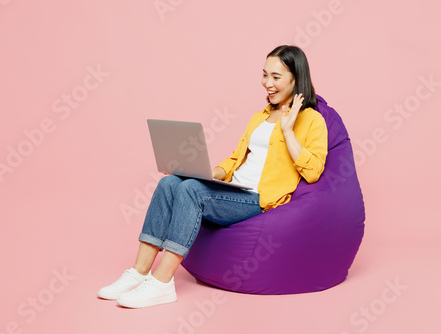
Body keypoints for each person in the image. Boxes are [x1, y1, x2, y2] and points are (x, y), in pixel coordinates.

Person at [98, 45, 328, 308]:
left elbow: (313, 172)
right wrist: (206, 173)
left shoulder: (312, 120)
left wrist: (288, 131)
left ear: (296, 78)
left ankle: (162, 283)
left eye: (276, 77)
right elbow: (235, 159)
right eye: (265, 75)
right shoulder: (259, 117)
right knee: (170, 182)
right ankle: (138, 273)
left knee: (191, 191)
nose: (267, 83)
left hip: (258, 199)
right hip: (235, 189)